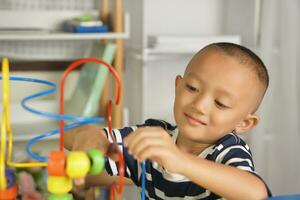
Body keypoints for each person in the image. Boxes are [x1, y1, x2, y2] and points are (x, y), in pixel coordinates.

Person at [64, 42, 272, 199]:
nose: (199, 105)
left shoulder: (228, 150)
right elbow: (69, 138)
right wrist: (89, 135)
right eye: (192, 88)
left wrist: (180, 161)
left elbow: (255, 193)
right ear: (178, 86)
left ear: (243, 123)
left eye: (220, 103)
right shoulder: (155, 137)